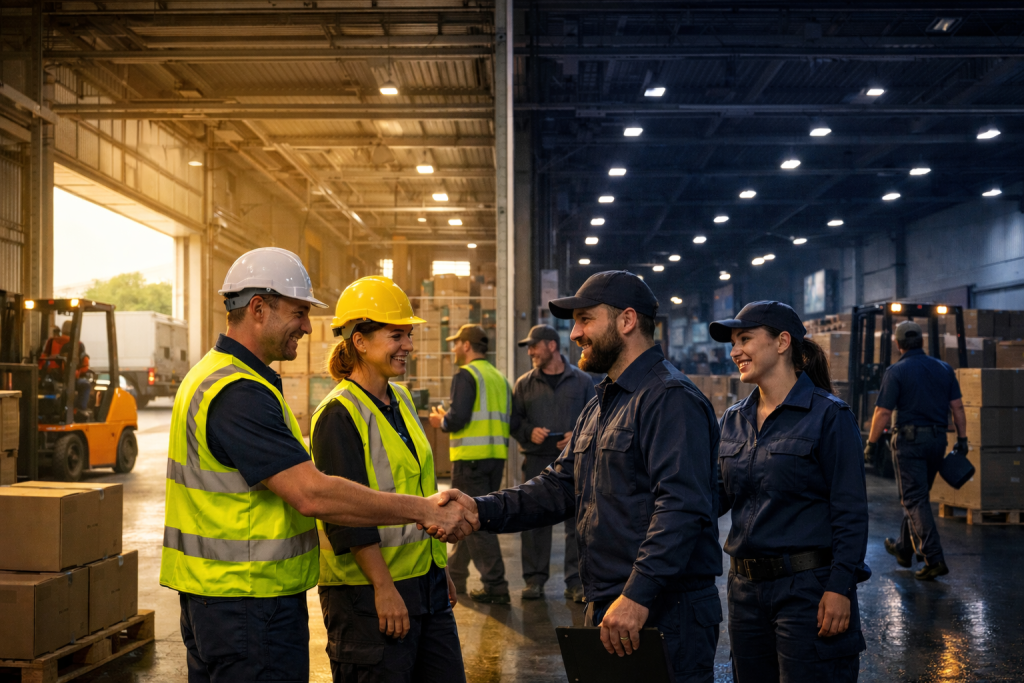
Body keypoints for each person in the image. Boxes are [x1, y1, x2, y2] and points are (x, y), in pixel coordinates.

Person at [159, 248, 477, 683]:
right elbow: (312, 494)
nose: (309, 327)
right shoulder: (237, 392)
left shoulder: (225, 379)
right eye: (299, 312)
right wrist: (422, 510)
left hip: (233, 601)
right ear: (258, 308)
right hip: (247, 605)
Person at [431, 271, 724, 682]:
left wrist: (638, 595)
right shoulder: (601, 405)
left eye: (585, 319)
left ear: (626, 321)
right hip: (612, 606)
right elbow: (557, 486)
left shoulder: (669, 399)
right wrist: (480, 510)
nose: (574, 334)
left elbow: (682, 508)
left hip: (663, 611)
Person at [310, 276, 465, 683]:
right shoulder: (338, 413)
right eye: (397, 335)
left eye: (408, 335)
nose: (408, 346)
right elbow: (343, 515)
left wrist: (440, 568)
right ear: (359, 341)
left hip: (425, 586)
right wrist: (383, 587)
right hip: (369, 595)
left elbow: (418, 492)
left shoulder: (402, 400)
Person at [710, 301, 870, 683]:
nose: (735, 351)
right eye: (733, 342)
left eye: (745, 338)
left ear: (783, 342)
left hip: (807, 591)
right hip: (745, 591)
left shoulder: (830, 416)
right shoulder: (734, 419)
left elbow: (849, 511)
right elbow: (716, 496)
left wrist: (840, 587)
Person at [865, 320, 966, 581]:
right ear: (921, 341)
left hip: (909, 443)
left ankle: (934, 557)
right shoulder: (944, 368)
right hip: (937, 441)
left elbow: (883, 411)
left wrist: (871, 444)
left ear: (898, 344)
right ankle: (903, 547)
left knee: (914, 499)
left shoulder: (896, 371)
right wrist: (963, 439)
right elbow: (957, 408)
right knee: (918, 496)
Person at [428, 324, 516, 604]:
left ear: (466, 346)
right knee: (472, 517)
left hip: (470, 460)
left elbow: (459, 417)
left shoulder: (466, 375)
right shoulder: (498, 378)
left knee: (473, 521)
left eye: (456, 344)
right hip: (494, 458)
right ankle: (457, 574)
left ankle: (496, 584)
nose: (453, 349)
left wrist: (441, 421)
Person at [511, 324, 595, 602]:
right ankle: (534, 580)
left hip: (576, 463)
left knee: (578, 524)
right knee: (534, 522)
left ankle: (576, 582)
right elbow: (515, 422)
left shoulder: (583, 382)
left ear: (551, 346)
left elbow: (598, 418)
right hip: (536, 461)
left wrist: (577, 434)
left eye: (534, 346)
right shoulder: (524, 383)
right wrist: (528, 432)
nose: (531, 351)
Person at [39, 320, 92, 414]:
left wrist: (41, 375)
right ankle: (80, 410)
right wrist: (80, 372)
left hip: (52, 377)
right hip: (69, 377)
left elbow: (43, 358)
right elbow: (84, 364)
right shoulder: (78, 344)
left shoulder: (51, 341)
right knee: (85, 385)